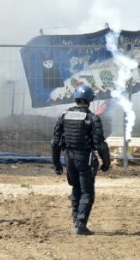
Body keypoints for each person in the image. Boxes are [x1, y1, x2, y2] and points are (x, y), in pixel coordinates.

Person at [51, 84, 111, 235]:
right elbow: (99, 144)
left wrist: (57, 163)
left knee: (76, 188)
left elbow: (55, 142)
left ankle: (76, 220)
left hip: (69, 158)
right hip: (85, 158)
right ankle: (81, 224)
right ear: (90, 100)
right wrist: (106, 162)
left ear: (76, 98)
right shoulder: (92, 118)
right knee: (87, 192)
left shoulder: (64, 115)